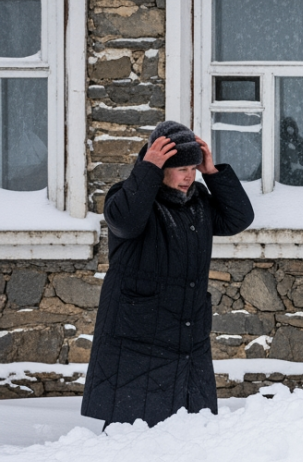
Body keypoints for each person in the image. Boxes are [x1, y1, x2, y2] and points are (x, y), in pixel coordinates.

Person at [82, 121, 255, 428]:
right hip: (138, 337)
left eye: (193, 167)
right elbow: (124, 221)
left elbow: (238, 218)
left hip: (186, 334)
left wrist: (213, 173)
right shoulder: (127, 197)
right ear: (159, 166)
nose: (189, 176)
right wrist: (147, 169)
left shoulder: (199, 201)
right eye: (180, 168)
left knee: (188, 434)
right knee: (132, 435)